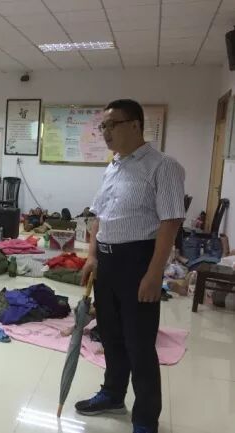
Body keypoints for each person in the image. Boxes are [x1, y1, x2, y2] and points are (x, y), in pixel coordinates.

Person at [76, 99, 185, 433]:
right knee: (111, 335)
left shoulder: (163, 166)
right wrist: (92, 256)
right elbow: (99, 216)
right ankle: (113, 394)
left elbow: (170, 222)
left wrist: (154, 274)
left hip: (138, 262)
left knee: (139, 343)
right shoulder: (113, 166)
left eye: (112, 125)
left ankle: (146, 418)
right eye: (103, 126)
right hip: (107, 262)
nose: (105, 132)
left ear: (135, 125)